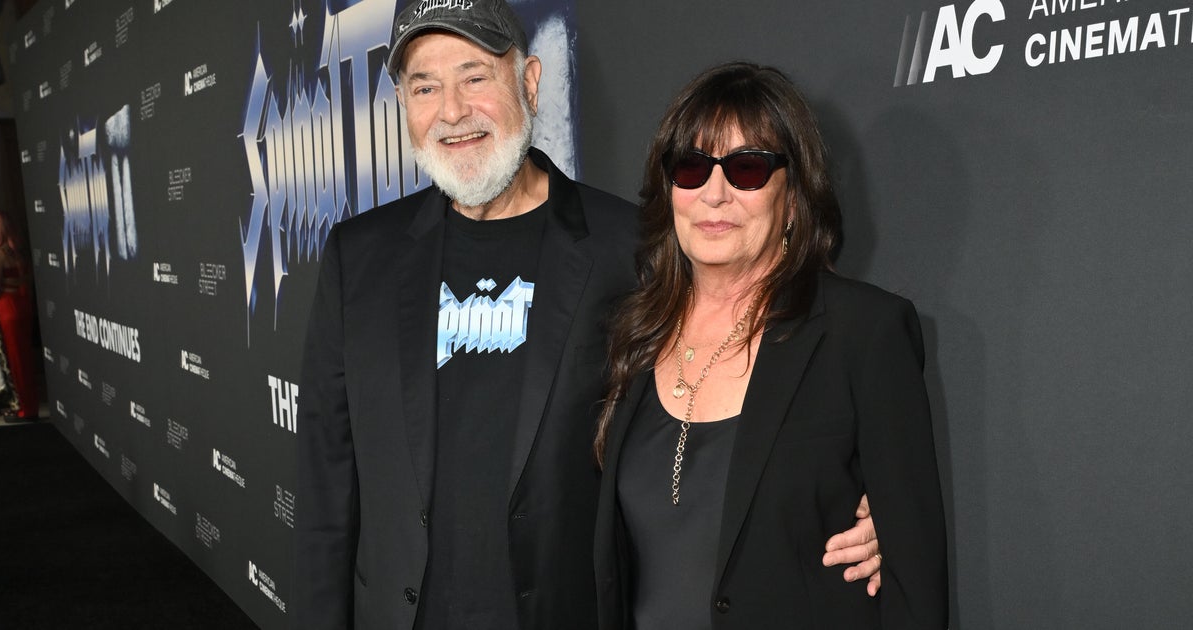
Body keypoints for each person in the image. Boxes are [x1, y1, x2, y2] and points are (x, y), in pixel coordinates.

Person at [295, 3, 883, 629]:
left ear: (529, 82)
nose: (452, 111)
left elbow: (730, 374)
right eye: (424, 87)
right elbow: (326, 486)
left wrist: (856, 494)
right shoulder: (358, 258)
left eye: (474, 77)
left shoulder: (629, 248)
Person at [592, 62, 948, 629]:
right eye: (691, 167)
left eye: (747, 169)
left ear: (794, 195)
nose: (714, 195)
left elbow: (916, 589)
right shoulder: (634, 333)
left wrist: (890, 528)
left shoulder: (863, 332)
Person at [0, 214, 36, 420]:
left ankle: (24, 409)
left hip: (7, 309)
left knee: (16, 361)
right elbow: (26, 280)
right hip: (23, 305)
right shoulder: (19, 254)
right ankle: (30, 405)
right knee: (26, 359)